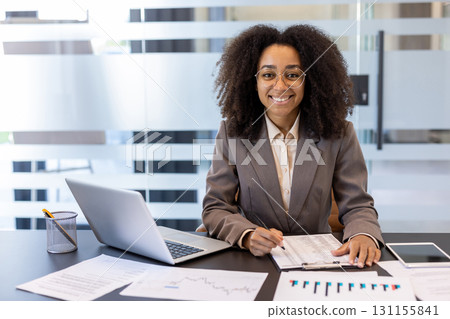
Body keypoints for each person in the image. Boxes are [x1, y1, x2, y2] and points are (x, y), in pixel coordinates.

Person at [202, 24, 383, 268]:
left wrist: (363, 233)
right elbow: (215, 207)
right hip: (255, 261)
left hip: (321, 262)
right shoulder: (232, 134)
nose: (280, 85)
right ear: (252, 82)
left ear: (310, 80)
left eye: (292, 74)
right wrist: (246, 235)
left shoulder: (339, 134)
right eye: (268, 75)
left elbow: (358, 204)